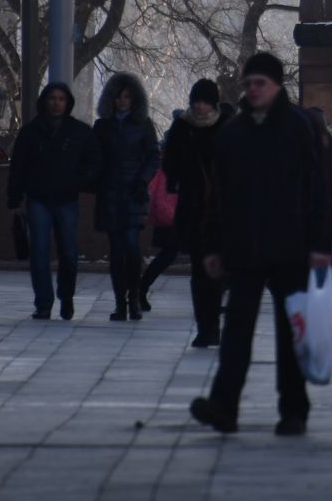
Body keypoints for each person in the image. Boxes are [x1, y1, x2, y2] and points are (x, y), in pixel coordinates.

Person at [190, 52, 332, 436]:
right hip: (245, 247)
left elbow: (319, 189)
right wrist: (213, 247)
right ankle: (224, 406)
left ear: (277, 86)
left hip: (291, 246)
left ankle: (293, 410)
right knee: (236, 330)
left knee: (290, 335)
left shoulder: (300, 128)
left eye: (261, 83)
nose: (253, 89)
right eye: (248, 83)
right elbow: (218, 197)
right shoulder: (233, 134)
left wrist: (321, 243)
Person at [5, 79, 99, 321]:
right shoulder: (30, 132)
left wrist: (78, 181)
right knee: (39, 251)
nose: (56, 103)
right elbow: (18, 167)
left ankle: (66, 296)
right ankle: (44, 303)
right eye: (52, 98)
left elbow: (93, 163)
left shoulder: (79, 132)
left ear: (67, 102)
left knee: (68, 251)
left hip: (67, 198)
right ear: (44, 101)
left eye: (61, 99)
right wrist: (14, 198)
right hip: (38, 198)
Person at [160, 79, 231, 347]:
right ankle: (206, 327)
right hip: (193, 208)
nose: (200, 107)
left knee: (218, 270)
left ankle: (213, 323)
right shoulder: (182, 127)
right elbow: (170, 165)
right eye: (196, 101)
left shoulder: (226, 126)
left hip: (222, 209)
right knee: (200, 272)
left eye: (205, 101)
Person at [93, 72, 160, 322]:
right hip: (110, 194)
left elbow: (154, 155)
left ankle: (133, 298)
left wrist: (143, 180)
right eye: (119, 97)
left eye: (127, 97)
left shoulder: (143, 125)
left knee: (132, 248)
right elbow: (94, 157)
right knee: (117, 250)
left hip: (133, 193)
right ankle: (121, 302)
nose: (123, 101)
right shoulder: (102, 127)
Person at [137, 108, 188, 311]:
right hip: (175, 210)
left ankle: (141, 288)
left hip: (183, 209)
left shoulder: (171, 150)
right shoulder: (170, 155)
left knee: (171, 253)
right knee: (170, 253)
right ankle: (141, 288)